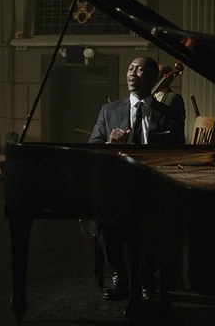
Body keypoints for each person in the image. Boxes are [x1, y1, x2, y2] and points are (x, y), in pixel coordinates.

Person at [88, 56, 186, 306]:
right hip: (118, 186)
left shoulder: (168, 113)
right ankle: (120, 275)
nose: (132, 73)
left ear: (153, 77)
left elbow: (178, 151)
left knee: (161, 218)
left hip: (154, 185)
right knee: (101, 217)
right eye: (130, 69)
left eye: (140, 70)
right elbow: (93, 146)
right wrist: (110, 143)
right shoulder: (109, 110)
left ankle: (145, 279)